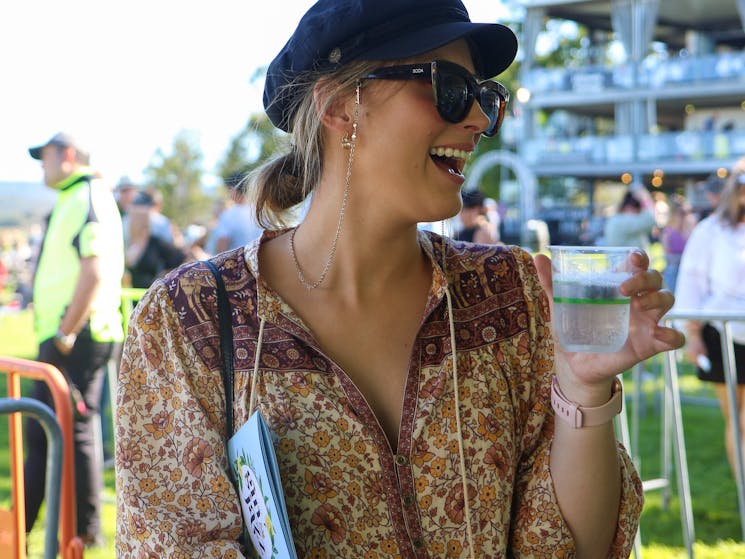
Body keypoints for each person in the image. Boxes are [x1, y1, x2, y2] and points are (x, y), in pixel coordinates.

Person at [115, 2, 683, 557]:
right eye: (449, 87)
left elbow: (576, 547)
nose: (481, 120)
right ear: (341, 105)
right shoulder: (188, 322)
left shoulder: (512, 294)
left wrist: (583, 390)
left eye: (488, 97)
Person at [25, 131, 124, 546]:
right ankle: (30, 529)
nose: (40, 164)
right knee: (41, 432)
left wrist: (65, 333)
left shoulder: (88, 193)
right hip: (67, 334)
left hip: (78, 336)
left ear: (66, 154)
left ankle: (82, 533)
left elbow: (95, 270)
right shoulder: (73, 195)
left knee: (71, 430)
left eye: (44, 156)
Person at [675, 159, 745, 478]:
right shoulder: (711, 231)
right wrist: (693, 336)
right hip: (724, 335)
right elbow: (691, 284)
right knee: (738, 420)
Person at [124, 191, 187, 288]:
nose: (137, 222)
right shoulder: (123, 242)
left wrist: (163, 281)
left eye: (141, 218)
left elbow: (182, 259)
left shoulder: (156, 242)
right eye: (135, 218)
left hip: (154, 298)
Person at [209, 172, 263, 253]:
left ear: (233, 189)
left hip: (239, 263)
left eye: (228, 190)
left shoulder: (229, 215)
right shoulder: (262, 211)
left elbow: (222, 245)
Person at [603, 181, 656, 249]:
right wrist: (644, 198)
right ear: (629, 207)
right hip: (624, 259)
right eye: (638, 211)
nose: (639, 215)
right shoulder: (622, 220)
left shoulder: (615, 219)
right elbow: (650, 219)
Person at [660, 194, 696, 292]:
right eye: (680, 213)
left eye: (684, 213)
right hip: (674, 267)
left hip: (687, 267)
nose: (683, 216)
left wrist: (685, 226)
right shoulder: (668, 231)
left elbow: (693, 246)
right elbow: (666, 253)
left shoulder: (689, 227)